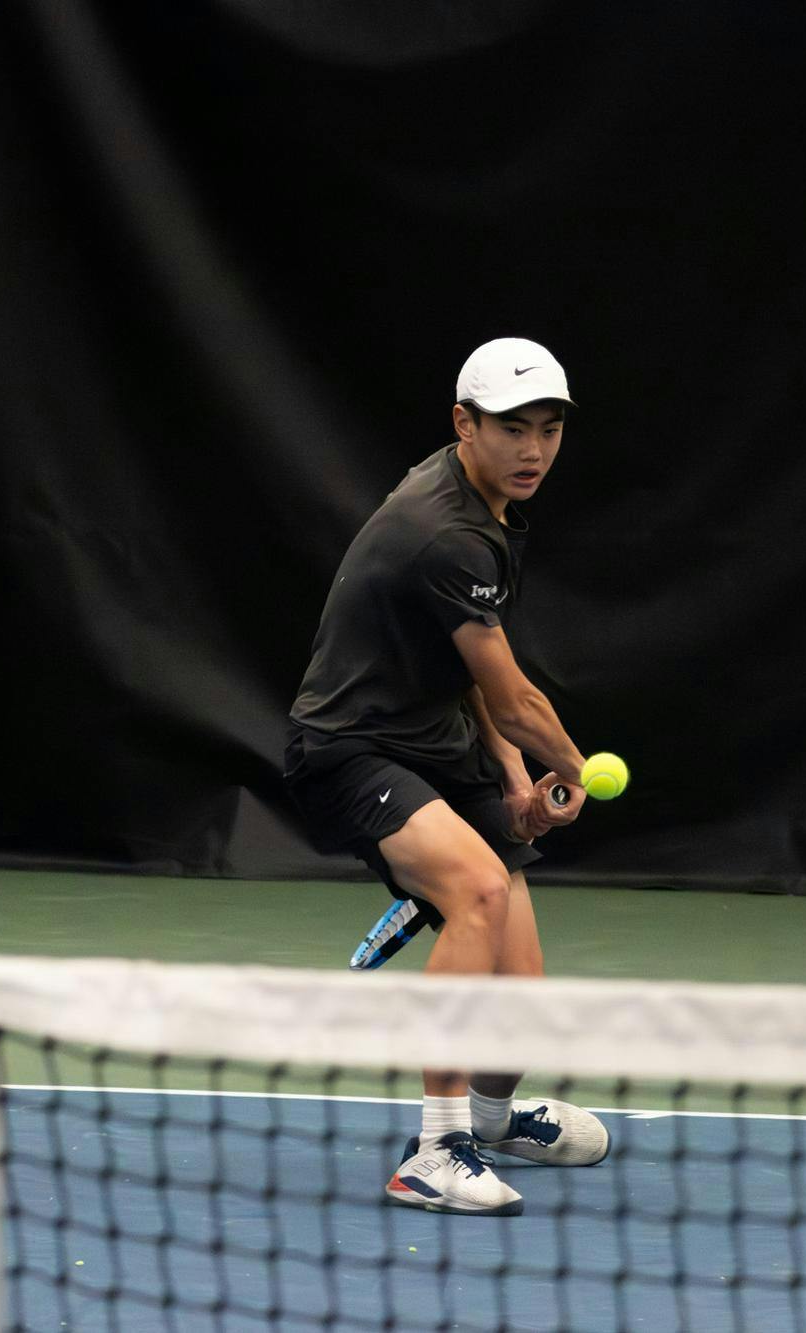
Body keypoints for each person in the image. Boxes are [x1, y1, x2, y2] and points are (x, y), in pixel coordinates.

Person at [284, 337, 610, 1215]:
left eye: (548, 429)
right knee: (475, 890)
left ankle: (493, 1117)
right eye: (512, 428)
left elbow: (467, 669)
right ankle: (434, 1147)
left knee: (522, 1005)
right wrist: (572, 766)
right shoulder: (447, 534)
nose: (533, 449)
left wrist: (508, 776)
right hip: (349, 749)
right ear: (464, 424)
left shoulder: (486, 506)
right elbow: (512, 695)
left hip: (435, 743)